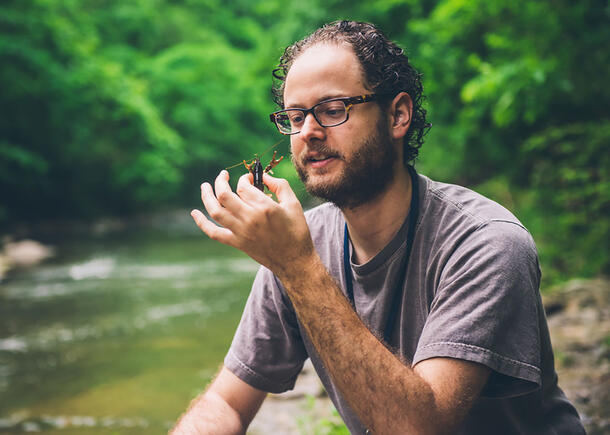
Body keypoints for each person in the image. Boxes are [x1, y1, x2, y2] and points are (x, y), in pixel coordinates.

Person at [173, 20, 584, 434]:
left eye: (333, 110)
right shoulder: (298, 242)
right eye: (295, 117)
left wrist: (297, 266)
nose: (308, 132)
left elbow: (419, 429)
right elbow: (225, 402)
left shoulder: (486, 242)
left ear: (398, 115)